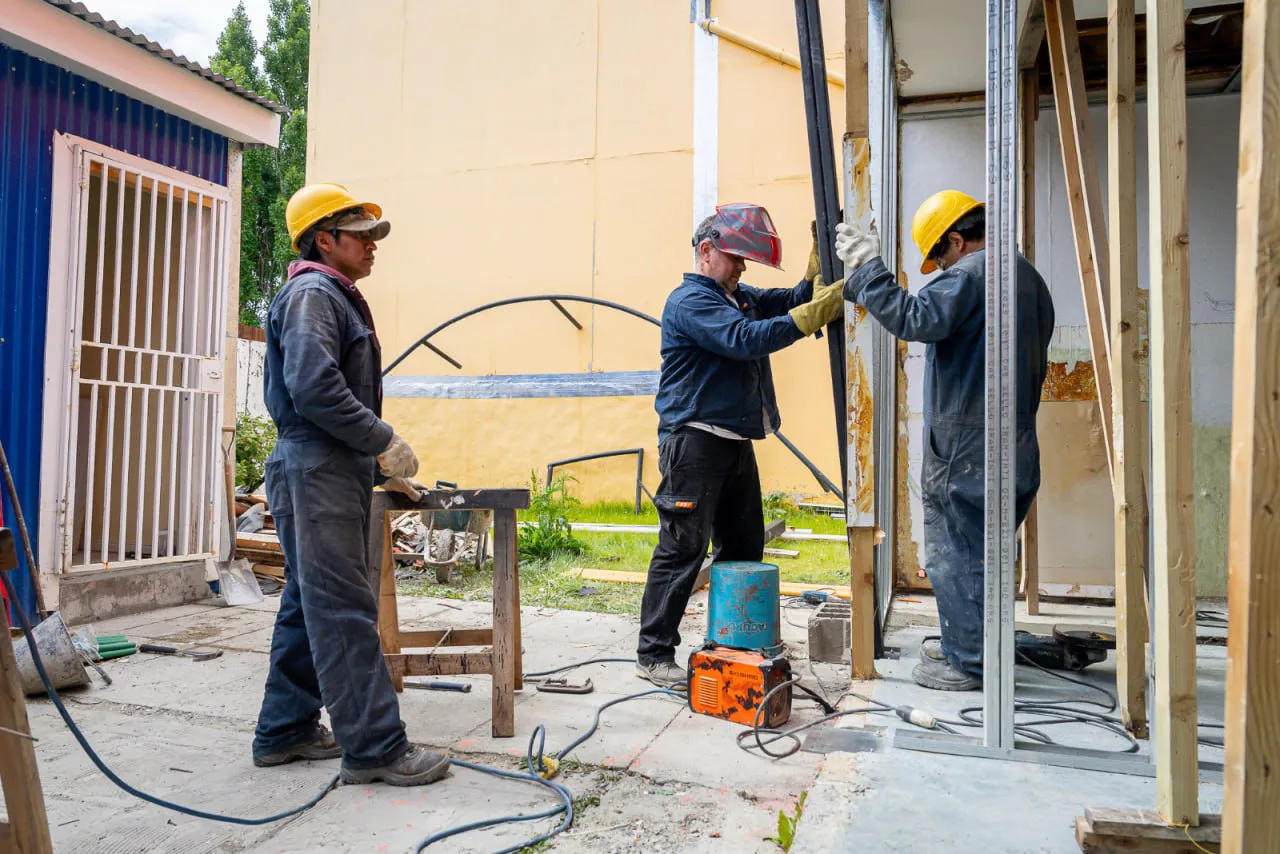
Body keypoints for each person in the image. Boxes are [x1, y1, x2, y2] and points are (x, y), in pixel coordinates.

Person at [251, 182, 447, 785]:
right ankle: (376, 748)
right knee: (341, 611)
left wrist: (374, 462)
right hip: (317, 470)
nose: (371, 246)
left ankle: (283, 731)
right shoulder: (314, 293)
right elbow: (314, 388)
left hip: (326, 469)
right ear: (324, 239)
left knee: (307, 605)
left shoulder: (329, 294)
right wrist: (380, 439)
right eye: (360, 235)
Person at [834, 190, 1055, 691]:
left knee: (953, 554)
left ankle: (970, 664)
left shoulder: (973, 275)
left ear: (957, 240)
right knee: (987, 554)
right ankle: (976, 643)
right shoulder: (1028, 278)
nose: (939, 269)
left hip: (967, 448)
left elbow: (917, 319)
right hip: (1015, 442)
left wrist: (868, 268)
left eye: (940, 259)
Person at [635, 203, 845, 689]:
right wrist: (813, 314)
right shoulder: (690, 303)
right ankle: (653, 652)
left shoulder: (737, 295)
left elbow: (792, 299)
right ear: (706, 252)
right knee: (683, 548)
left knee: (744, 545)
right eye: (736, 258)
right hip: (693, 441)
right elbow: (744, 339)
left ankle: (729, 640)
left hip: (732, 443)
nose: (743, 268)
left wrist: (819, 261)